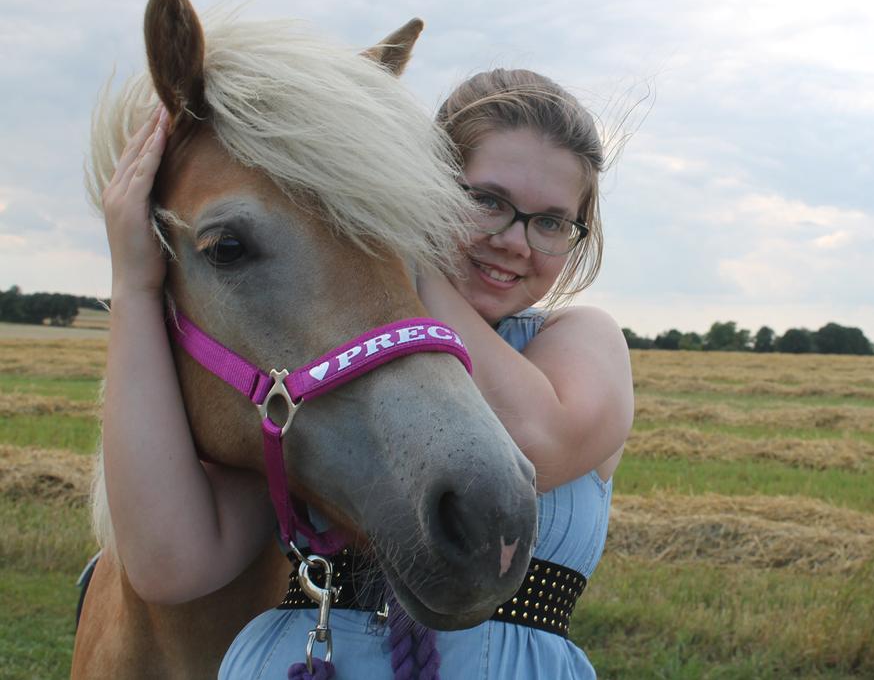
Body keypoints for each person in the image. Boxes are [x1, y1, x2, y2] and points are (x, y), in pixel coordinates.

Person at [103, 68, 634, 679]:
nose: (516, 240)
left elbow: (534, 440)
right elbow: (173, 564)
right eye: (486, 201)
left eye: (551, 222)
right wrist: (136, 288)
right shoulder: (331, 372)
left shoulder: (582, 340)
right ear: (421, 189)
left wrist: (399, 252)